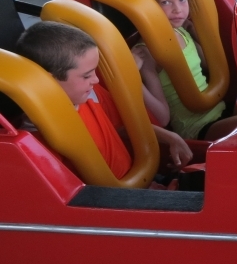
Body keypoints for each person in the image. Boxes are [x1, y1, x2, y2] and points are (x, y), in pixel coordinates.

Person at [16, 22, 193, 178]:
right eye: (86, 75)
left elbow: (119, 128)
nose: (96, 79)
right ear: (47, 81)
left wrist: (170, 137)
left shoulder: (87, 94)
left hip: (140, 180)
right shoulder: (39, 141)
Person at [132, 0, 237, 141]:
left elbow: (205, 65)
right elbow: (162, 117)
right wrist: (132, 76)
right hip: (200, 129)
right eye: (166, 2)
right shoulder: (146, 52)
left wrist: (193, 32)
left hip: (221, 111)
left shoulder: (181, 30)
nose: (178, 9)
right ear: (148, 6)